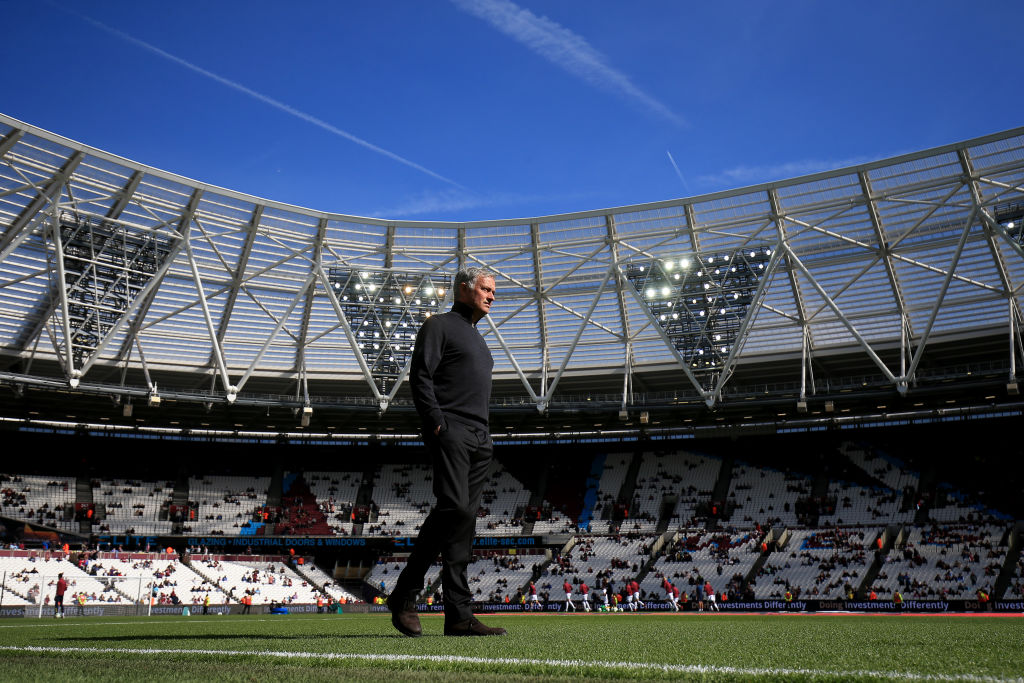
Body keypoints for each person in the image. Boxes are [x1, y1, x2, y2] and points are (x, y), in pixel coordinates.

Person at [387, 267, 505, 638]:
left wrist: (484, 435)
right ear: (463, 289)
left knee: (464, 521)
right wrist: (437, 422)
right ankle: (406, 592)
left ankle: (458, 615)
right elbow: (420, 375)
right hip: (451, 430)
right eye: (485, 289)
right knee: (453, 507)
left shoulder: (479, 340)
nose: (491, 296)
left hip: (480, 439)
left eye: (493, 291)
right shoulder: (438, 324)